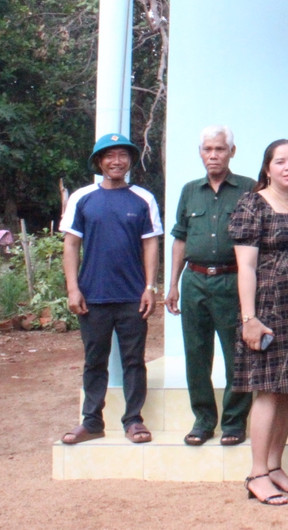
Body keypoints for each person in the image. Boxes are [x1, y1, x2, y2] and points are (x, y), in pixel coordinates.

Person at [60, 133, 162, 445]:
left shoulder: (143, 199)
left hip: (133, 297)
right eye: (109, 156)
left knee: (134, 360)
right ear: (99, 161)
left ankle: (133, 421)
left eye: (122, 155)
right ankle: (91, 421)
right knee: (95, 360)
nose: (116, 161)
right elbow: (71, 244)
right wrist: (73, 288)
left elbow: (151, 244)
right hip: (93, 297)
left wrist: (150, 287)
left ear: (130, 160)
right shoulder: (82, 197)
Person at [230, 139, 288, 506]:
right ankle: (257, 473)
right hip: (267, 305)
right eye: (280, 161)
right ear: (267, 167)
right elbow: (245, 266)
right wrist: (249, 318)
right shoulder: (253, 204)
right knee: (266, 389)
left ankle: (276, 466)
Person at [165, 125, 255, 447]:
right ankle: (203, 420)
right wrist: (173, 284)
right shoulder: (190, 190)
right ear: (200, 152)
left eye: (219, 149)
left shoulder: (248, 188)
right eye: (208, 149)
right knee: (196, 354)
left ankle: (234, 422)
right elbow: (180, 238)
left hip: (233, 281)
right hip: (195, 281)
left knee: (236, 355)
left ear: (232, 151)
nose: (213, 155)